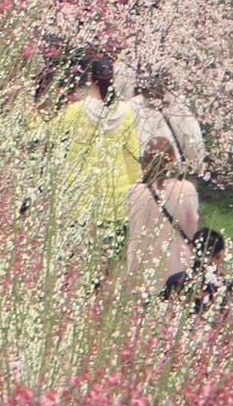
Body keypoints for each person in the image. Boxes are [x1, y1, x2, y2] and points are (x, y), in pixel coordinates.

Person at [53, 57, 141, 258]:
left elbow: (49, 135)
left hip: (80, 197)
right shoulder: (126, 113)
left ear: (91, 80)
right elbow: (132, 157)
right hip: (115, 199)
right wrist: (135, 191)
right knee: (108, 262)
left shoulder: (76, 111)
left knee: (78, 260)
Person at [125, 137, 200, 295]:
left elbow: (132, 229)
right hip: (177, 267)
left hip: (141, 269)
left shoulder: (134, 193)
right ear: (172, 160)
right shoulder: (186, 189)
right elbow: (192, 228)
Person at [128, 67, 207, 173]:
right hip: (169, 175)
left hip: (156, 176)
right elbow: (195, 144)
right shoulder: (178, 105)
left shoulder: (176, 103)